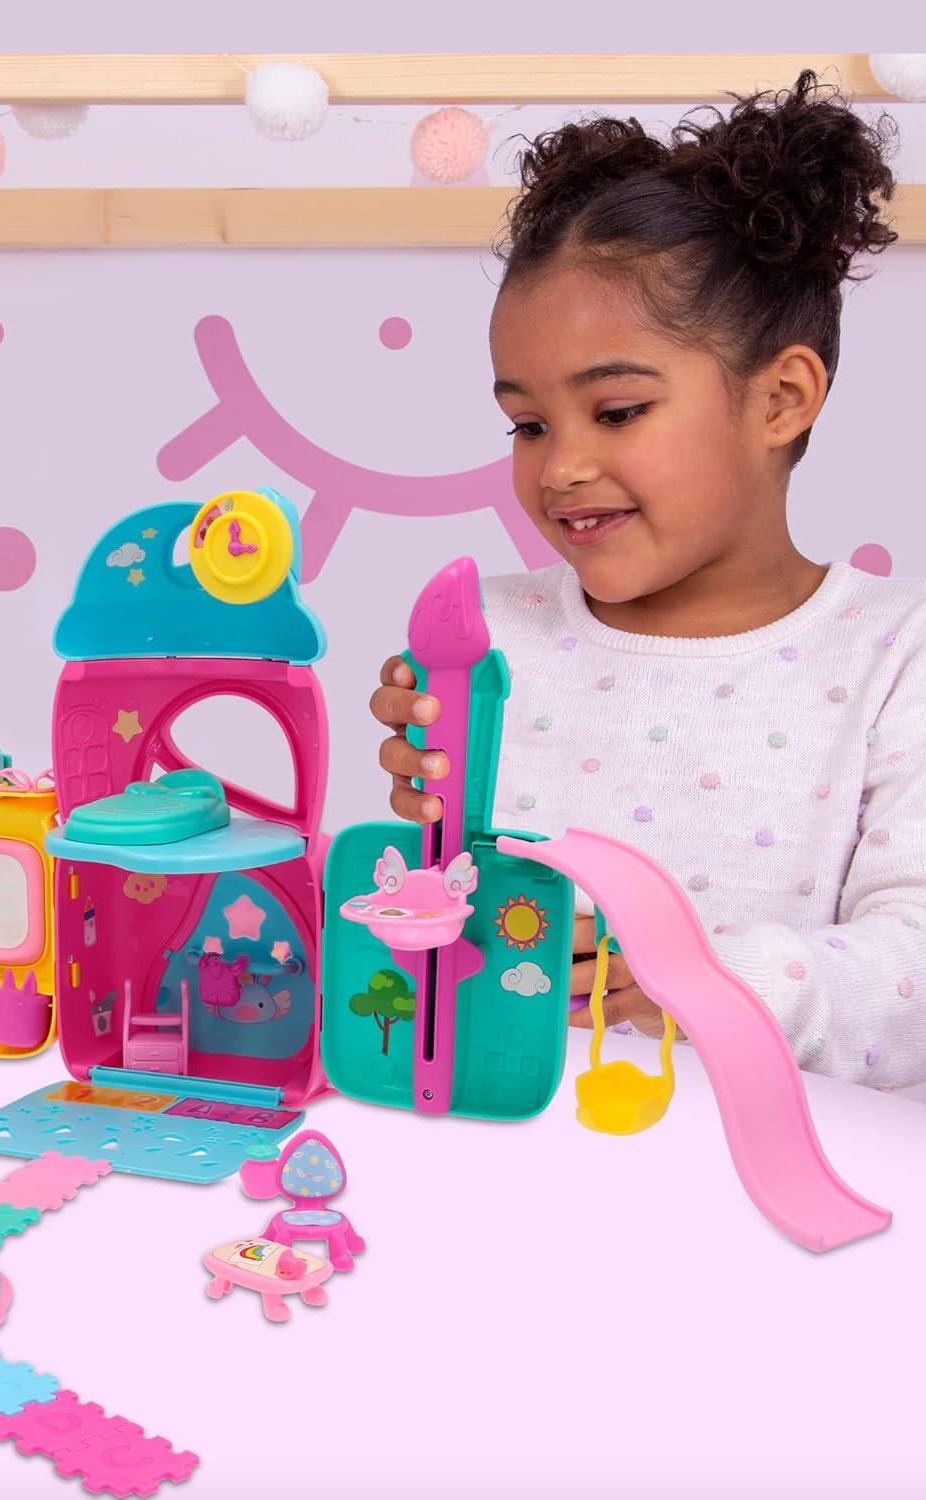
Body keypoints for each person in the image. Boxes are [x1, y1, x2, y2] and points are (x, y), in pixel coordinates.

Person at [372, 72, 926, 1088]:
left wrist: (704, 979)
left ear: (781, 399)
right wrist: (424, 837)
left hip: (766, 1159)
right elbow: (438, 933)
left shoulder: (897, 657)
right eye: (527, 424)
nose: (560, 468)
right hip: (507, 1136)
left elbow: (914, 976)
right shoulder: (489, 636)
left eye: (617, 411)